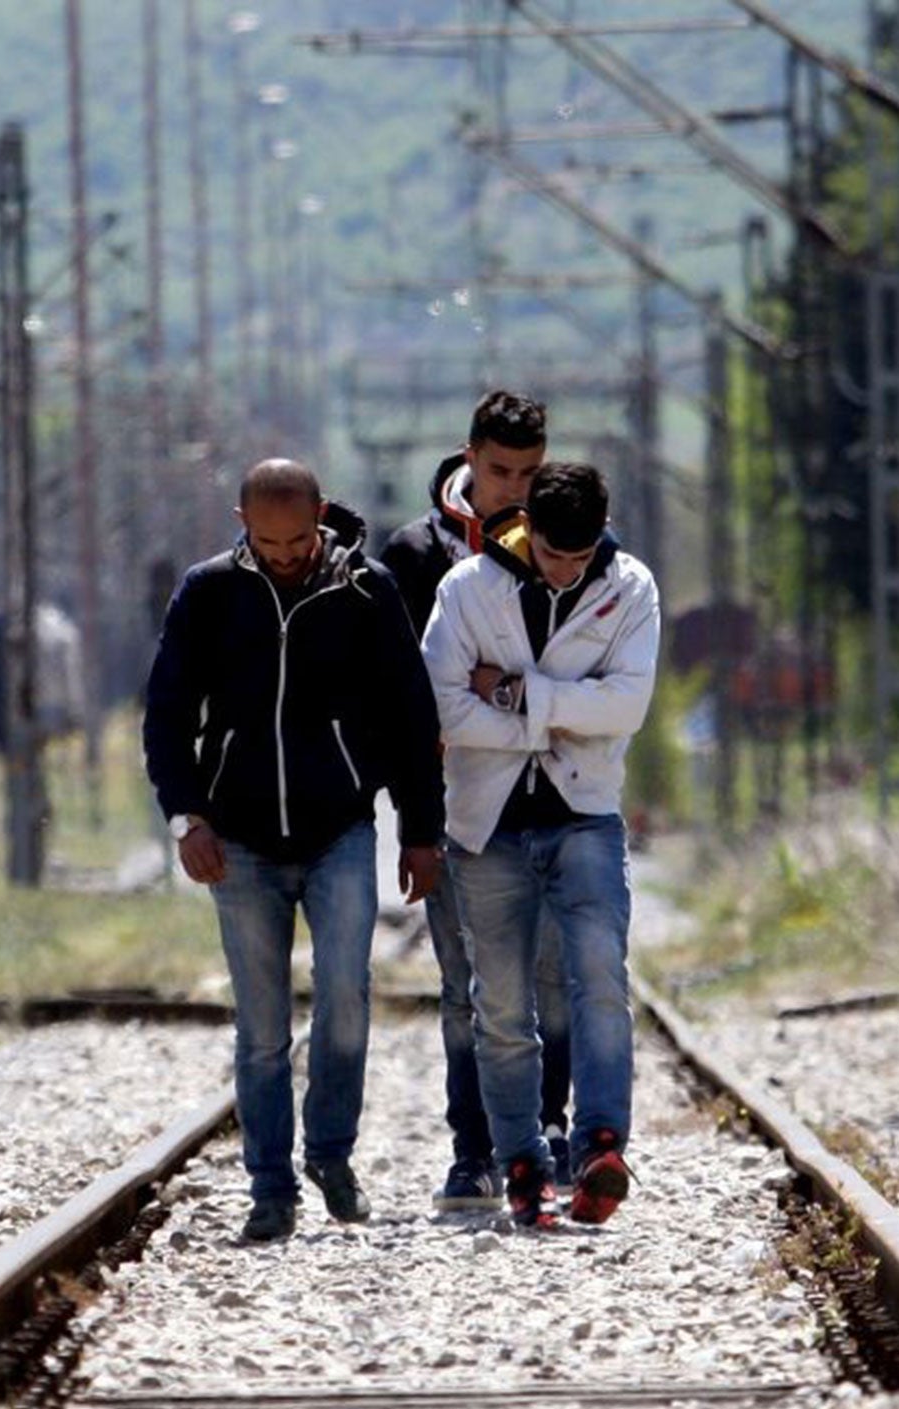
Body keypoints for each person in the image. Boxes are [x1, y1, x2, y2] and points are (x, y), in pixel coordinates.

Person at [144, 458, 444, 1243]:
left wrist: (420, 830)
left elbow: (412, 715)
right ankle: (271, 1188)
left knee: (345, 997)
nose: (285, 554)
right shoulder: (207, 592)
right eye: (268, 541)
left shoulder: (367, 590)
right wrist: (186, 818)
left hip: (340, 831)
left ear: (321, 518)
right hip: (236, 841)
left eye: (298, 538)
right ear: (243, 523)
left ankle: (332, 1153)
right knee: (263, 1027)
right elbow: (168, 712)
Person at [421, 461, 659, 1228]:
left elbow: (626, 705)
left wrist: (515, 692)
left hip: (583, 813)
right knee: (500, 1003)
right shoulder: (465, 590)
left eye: (581, 557)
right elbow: (445, 709)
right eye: (555, 555)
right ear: (527, 529)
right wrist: (557, 713)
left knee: (600, 980)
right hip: (487, 825)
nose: (568, 569)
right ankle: (519, 1157)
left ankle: (598, 1146)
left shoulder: (631, 587)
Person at [381, 389, 574, 1213]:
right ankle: (473, 1151)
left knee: (551, 977)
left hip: (549, 793)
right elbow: (403, 691)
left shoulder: (564, 543)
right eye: (500, 472)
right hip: (456, 803)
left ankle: (547, 1132)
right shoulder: (415, 553)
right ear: (468, 458)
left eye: (531, 473)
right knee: (465, 985)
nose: (516, 490)